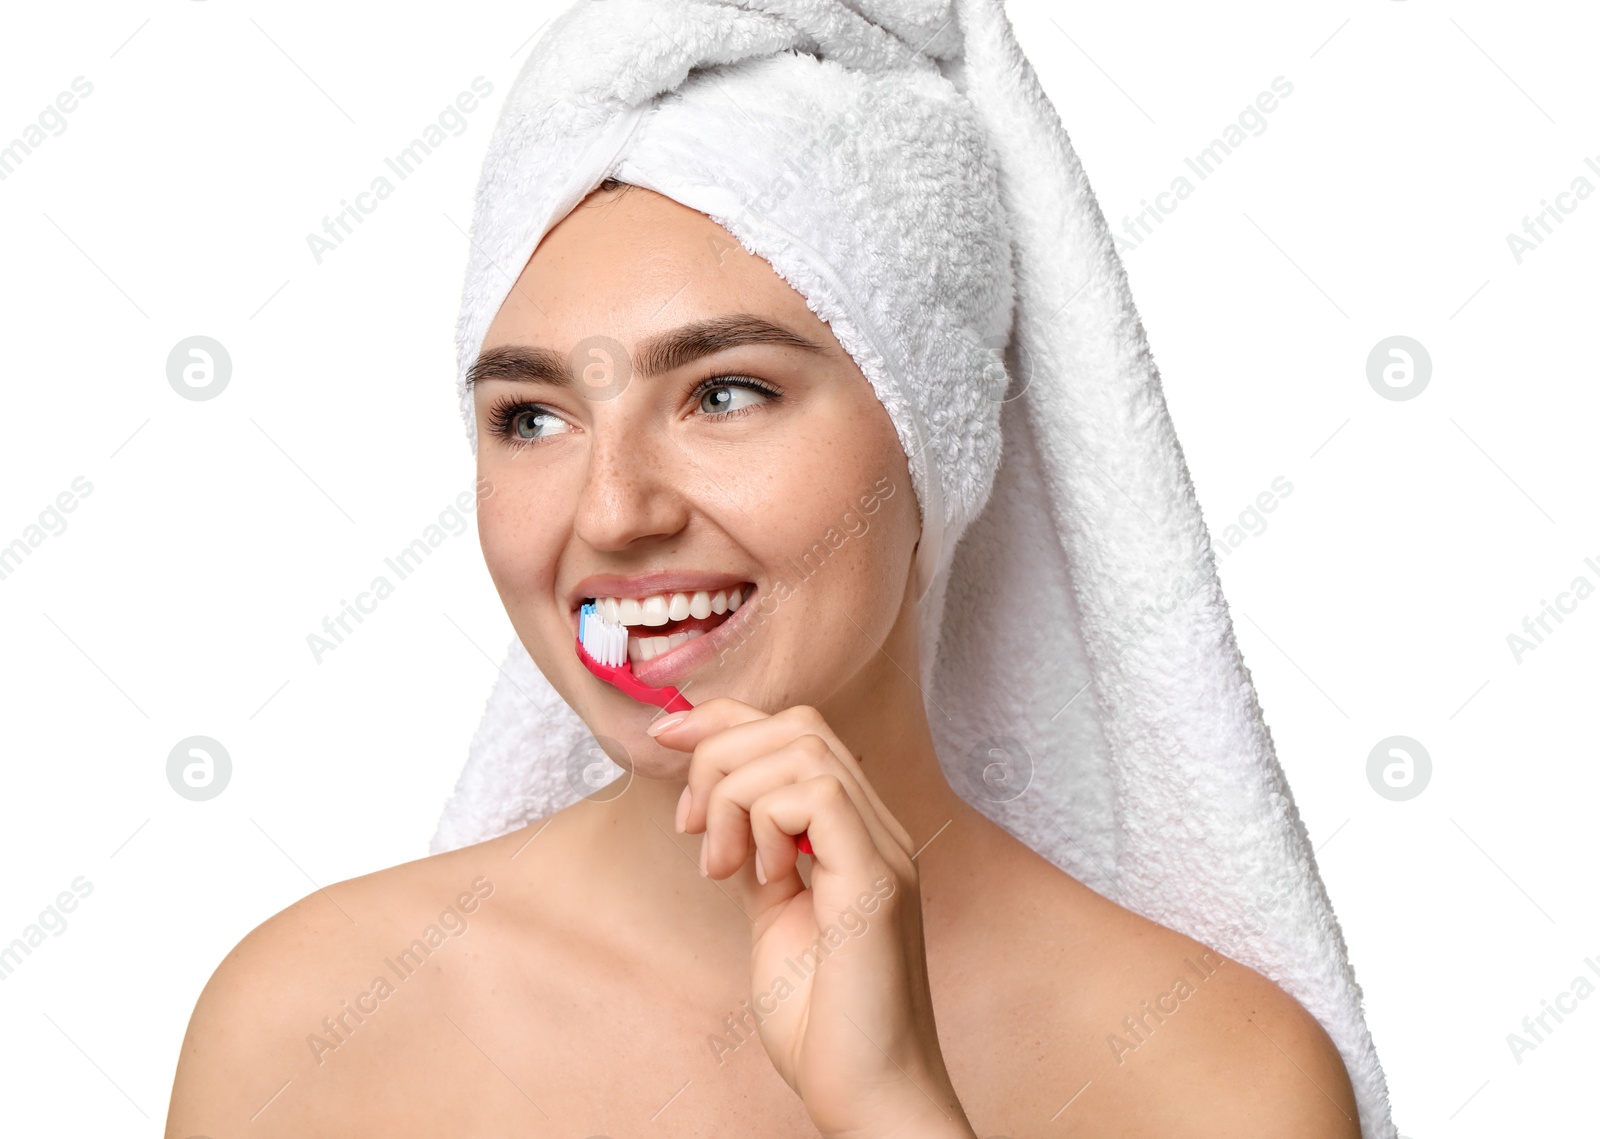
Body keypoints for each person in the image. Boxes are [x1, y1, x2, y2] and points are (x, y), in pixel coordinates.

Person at [164, 176, 1361, 1138]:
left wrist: (893, 1108)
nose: (614, 510)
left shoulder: (1216, 1078)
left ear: (934, 438)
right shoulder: (306, 1023)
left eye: (724, 393)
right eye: (532, 416)